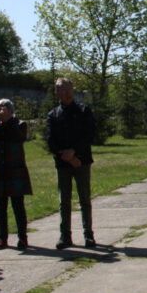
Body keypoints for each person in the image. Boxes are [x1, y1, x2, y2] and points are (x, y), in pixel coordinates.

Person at [45, 78, 99, 250]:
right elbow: (51, 141)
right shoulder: (53, 115)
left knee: (84, 199)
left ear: (73, 90)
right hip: (63, 163)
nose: (66, 93)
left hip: (81, 161)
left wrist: (75, 153)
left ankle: (88, 235)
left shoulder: (83, 111)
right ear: (56, 93)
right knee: (64, 200)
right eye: (62, 90)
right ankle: (65, 236)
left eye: (68, 89)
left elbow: (89, 135)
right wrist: (66, 156)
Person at [0, 99, 33, 250]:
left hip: (15, 171)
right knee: (0, 208)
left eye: (3, 109)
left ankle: (22, 238)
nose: (0, 113)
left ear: (11, 111)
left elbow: (18, 137)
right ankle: (2, 238)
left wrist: (8, 120)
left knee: (18, 206)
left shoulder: (19, 124)